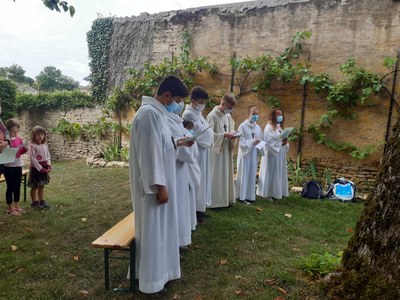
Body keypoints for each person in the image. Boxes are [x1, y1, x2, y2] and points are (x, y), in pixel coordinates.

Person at [129, 74, 189, 294]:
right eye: (178, 100)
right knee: (154, 233)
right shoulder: (148, 115)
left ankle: (160, 275)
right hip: (153, 189)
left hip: (162, 183)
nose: (179, 105)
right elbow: (149, 154)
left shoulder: (158, 114)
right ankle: (150, 282)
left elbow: (162, 144)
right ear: (167, 95)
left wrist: (177, 142)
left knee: (162, 232)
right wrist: (159, 186)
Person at [165, 97, 196, 249]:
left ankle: (181, 239)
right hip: (173, 169)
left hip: (181, 169)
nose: (180, 104)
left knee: (181, 203)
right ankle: (174, 241)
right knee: (175, 205)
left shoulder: (176, 119)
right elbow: (168, 144)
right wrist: (181, 142)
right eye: (178, 100)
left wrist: (184, 141)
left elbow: (177, 140)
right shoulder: (164, 119)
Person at [182, 86, 214, 222]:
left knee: (203, 179)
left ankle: (200, 208)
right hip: (196, 150)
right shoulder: (188, 114)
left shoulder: (198, 113)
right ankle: (194, 210)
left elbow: (206, 128)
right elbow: (194, 131)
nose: (203, 105)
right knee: (197, 179)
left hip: (203, 150)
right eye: (201, 102)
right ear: (193, 101)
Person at [206, 93, 239, 208]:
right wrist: (223, 135)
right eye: (229, 107)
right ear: (223, 104)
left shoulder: (227, 116)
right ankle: (215, 201)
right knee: (217, 175)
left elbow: (232, 127)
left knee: (226, 174)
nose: (230, 110)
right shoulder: (212, 116)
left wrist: (233, 133)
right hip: (217, 151)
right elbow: (209, 135)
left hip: (226, 150)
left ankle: (225, 199)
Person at [256, 108, 290, 200]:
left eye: (281, 114)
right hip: (271, 154)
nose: (280, 117)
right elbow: (268, 142)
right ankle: (268, 193)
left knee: (278, 172)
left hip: (280, 154)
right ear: (273, 115)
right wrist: (280, 143)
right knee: (271, 172)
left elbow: (280, 138)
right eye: (278, 114)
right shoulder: (269, 127)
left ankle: (278, 192)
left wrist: (285, 142)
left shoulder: (278, 126)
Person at [235, 105, 263, 204]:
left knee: (251, 174)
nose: (255, 116)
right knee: (244, 173)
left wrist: (260, 143)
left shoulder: (258, 127)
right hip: (245, 154)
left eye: (257, 114)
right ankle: (241, 196)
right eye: (253, 114)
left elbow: (261, 139)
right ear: (248, 114)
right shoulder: (242, 126)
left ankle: (250, 196)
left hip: (254, 154)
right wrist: (252, 142)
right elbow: (241, 141)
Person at [4, 119, 28, 216]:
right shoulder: (5, 141)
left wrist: (23, 151)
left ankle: (17, 205)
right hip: (8, 167)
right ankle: (10, 208)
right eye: (13, 132)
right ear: (8, 130)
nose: (15, 133)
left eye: (17, 131)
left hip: (18, 165)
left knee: (17, 186)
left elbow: (19, 153)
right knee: (10, 187)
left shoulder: (19, 139)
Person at [28, 126, 51, 208]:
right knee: (35, 186)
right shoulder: (32, 146)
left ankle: (42, 201)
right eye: (38, 134)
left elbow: (48, 155)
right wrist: (40, 169)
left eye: (42, 134)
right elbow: (33, 159)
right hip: (36, 169)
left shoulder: (45, 145)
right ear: (33, 135)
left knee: (41, 185)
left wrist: (48, 164)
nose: (40, 136)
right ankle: (34, 202)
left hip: (44, 167)